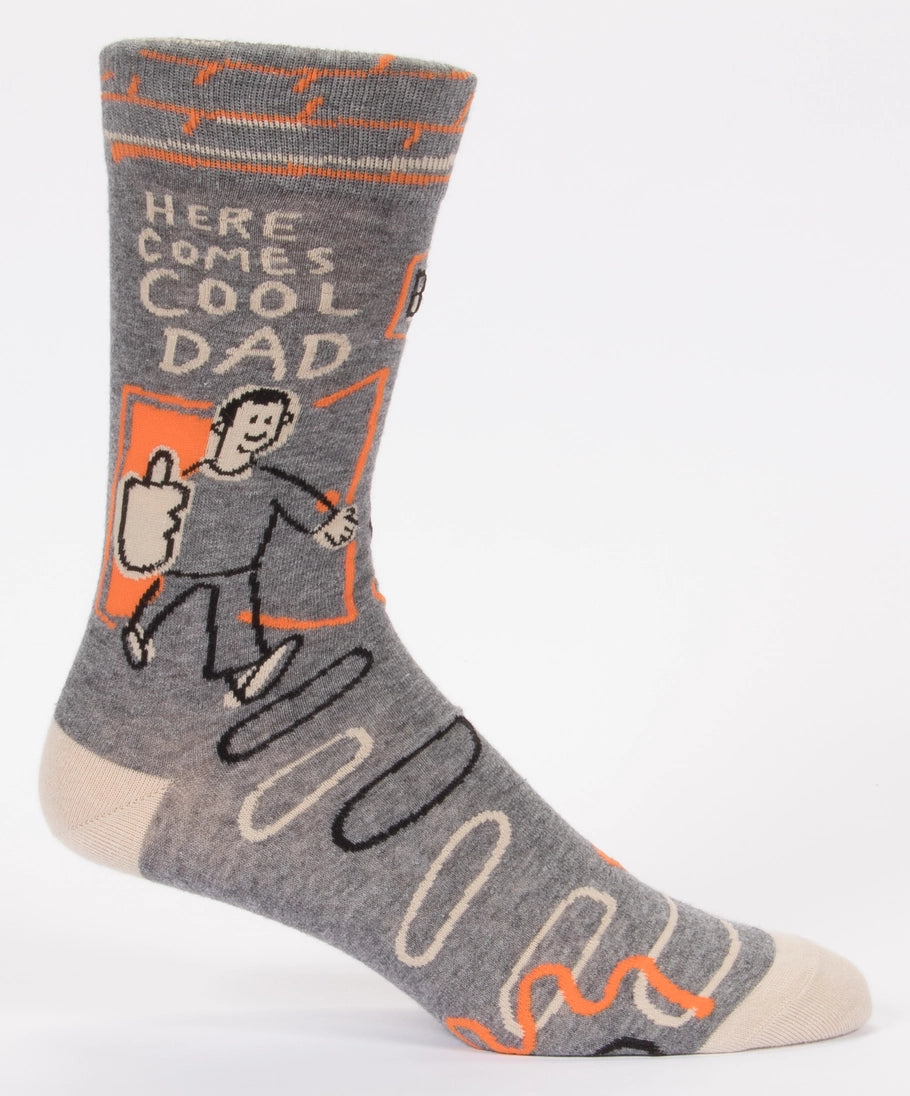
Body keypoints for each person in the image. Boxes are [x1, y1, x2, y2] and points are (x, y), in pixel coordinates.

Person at [117, 385, 358, 707]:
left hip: (238, 570)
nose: (260, 429)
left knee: (233, 621)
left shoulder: (268, 483)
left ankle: (243, 675)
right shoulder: (193, 480)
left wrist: (326, 527)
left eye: (269, 423)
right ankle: (138, 633)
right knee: (163, 596)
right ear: (225, 422)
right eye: (254, 419)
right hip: (185, 564)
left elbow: (300, 504)